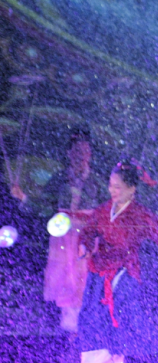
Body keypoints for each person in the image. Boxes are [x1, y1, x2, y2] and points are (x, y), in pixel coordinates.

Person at [63, 160, 158, 363]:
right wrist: (84, 246)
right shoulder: (104, 210)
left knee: (113, 324)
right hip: (98, 272)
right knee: (92, 323)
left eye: (117, 187)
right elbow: (89, 232)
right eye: (111, 185)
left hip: (124, 274)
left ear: (131, 189)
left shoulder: (139, 214)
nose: (112, 191)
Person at [20, 130, 105, 332]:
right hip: (63, 234)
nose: (80, 156)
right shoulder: (59, 179)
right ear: (69, 154)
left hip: (86, 234)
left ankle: (84, 322)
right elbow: (44, 205)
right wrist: (24, 198)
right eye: (76, 151)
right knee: (63, 273)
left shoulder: (98, 182)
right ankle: (66, 323)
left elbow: (106, 209)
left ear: (90, 155)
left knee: (84, 274)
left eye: (84, 151)